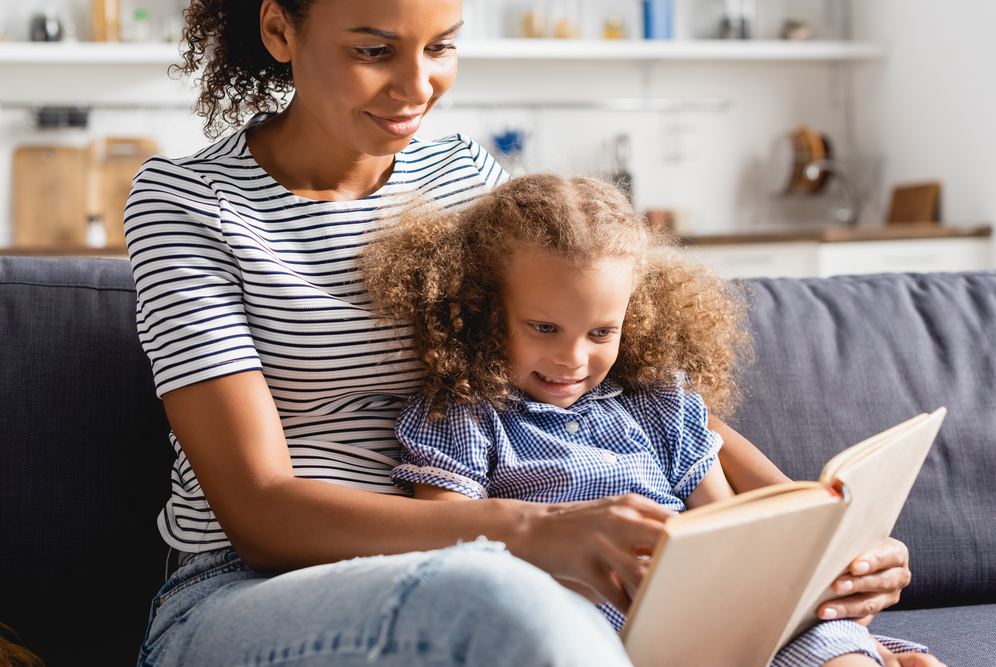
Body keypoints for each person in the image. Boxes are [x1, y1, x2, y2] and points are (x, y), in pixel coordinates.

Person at [124, 1, 935, 665]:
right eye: (374, 49)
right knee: (513, 600)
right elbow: (259, 512)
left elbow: (632, 392)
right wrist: (536, 532)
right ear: (278, 30)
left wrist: (818, 533)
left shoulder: (462, 178)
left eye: (442, 46)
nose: (417, 86)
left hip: (491, 565)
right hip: (249, 590)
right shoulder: (187, 204)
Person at [360, 173, 933, 664]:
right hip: (582, 630)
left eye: (601, 332)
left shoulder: (655, 403)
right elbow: (451, 552)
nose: (574, 359)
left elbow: (729, 526)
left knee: (835, 642)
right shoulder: (464, 416)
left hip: (707, 619)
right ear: (483, 311)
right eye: (544, 328)